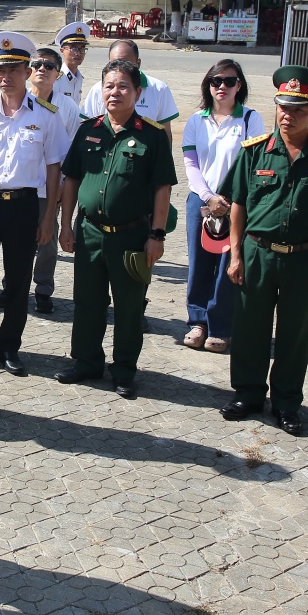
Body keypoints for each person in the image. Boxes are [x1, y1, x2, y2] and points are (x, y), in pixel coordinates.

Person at [219, 66, 308, 436]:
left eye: (297, 109)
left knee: (295, 335)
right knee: (250, 328)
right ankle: (247, 394)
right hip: (257, 253)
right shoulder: (254, 152)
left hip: (305, 258)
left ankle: (286, 402)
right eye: (283, 107)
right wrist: (235, 255)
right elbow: (238, 205)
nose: (287, 115)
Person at [58, 59, 175, 398]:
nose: (115, 92)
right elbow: (72, 179)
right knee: (87, 302)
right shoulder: (88, 130)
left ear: (137, 92)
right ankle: (86, 362)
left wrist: (157, 235)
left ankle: (124, 370)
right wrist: (65, 225)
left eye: (123, 86)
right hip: (90, 232)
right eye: (109, 86)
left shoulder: (152, 135)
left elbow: (162, 189)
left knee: (128, 308)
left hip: (132, 236)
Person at [0, 33, 69, 377]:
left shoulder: (47, 116)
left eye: (14, 69)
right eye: (0, 70)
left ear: (27, 72)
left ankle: (9, 347)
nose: (6, 76)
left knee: (18, 280)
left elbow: (54, 168)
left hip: (23, 205)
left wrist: (49, 217)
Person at [181, 60, 266, 352]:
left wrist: (229, 200)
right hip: (201, 201)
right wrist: (208, 197)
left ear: (239, 85)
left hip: (236, 203)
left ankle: (221, 326)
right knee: (199, 263)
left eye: (229, 81)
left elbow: (253, 164)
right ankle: (197, 321)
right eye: (215, 81)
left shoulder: (251, 120)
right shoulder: (197, 120)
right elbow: (191, 164)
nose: (222, 87)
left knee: (228, 265)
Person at [18, 45, 83, 315]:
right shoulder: (17, 100)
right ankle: (14, 287)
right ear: (28, 71)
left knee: (47, 241)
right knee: (17, 241)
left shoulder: (67, 107)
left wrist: (62, 188)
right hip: (21, 185)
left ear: (58, 74)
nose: (41, 69)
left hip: (51, 187)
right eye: (36, 65)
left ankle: (43, 289)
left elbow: (72, 152)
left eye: (49, 66)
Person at [79, 39, 179, 144]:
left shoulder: (159, 89)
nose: (119, 69)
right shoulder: (98, 89)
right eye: (114, 63)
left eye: (126, 64)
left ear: (138, 63)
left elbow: (165, 133)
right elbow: (87, 131)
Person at [54, 22, 90, 105]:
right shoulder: (56, 79)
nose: (78, 53)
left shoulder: (78, 78)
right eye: (73, 48)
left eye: (82, 48)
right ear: (62, 50)